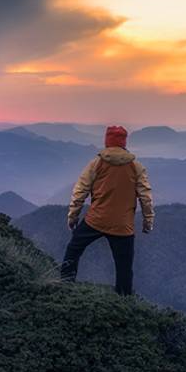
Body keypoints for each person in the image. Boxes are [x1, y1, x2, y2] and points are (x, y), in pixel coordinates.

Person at [60, 125, 154, 296]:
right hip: (123, 226)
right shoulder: (136, 167)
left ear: (107, 142)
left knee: (73, 250)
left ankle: (64, 287)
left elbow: (80, 192)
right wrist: (148, 222)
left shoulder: (96, 163)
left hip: (95, 220)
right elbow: (145, 198)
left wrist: (73, 217)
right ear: (124, 143)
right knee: (124, 268)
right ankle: (124, 302)